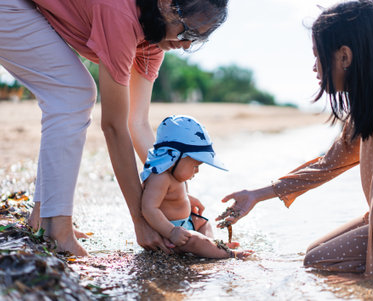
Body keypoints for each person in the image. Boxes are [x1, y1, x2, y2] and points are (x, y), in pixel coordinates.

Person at [216, 0, 373, 281]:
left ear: (344, 57)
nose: (314, 67)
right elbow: (327, 165)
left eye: (317, 56)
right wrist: (256, 195)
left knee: (321, 260)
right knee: (316, 254)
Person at [0, 0, 228, 256]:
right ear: (166, 3)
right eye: (187, 31)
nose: (185, 44)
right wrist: (140, 220)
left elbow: (138, 123)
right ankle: (57, 230)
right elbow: (113, 126)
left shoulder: (153, 39)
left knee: (69, 94)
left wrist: (177, 192)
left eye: (196, 39)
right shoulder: (121, 13)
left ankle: (45, 217)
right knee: (73, 93)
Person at [140, 115, 250, 259]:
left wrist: (186, 198)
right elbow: (149, 208)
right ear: (176, 156)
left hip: (185, 225)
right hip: (170, 235)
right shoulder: (160, 178)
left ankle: (212, 245)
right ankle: (227, 254)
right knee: (196, 240)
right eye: (195, 166)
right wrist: (171, 232)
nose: (197, 171)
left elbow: (170, 197)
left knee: (203, 223)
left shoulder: (176, 176)